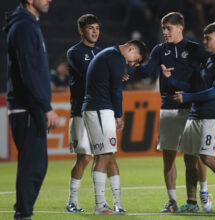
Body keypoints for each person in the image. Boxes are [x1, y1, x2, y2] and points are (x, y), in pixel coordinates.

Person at [131, 12, 215, 212]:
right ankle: (175, 201)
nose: (165, 32)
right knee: (172, 157)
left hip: (192, 107)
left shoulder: (197, 49)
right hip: (170, 107)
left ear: (180, 28)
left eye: (169, 28)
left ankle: (204, 193)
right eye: (163, 28)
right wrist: (131, 67)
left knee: (198, 156)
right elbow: (147, 71)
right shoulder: (159, 50)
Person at [172, 22, 215, 213]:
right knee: (189, 158)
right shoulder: (209, 59)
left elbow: (214, 91)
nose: (204, 41)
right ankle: (192, 202)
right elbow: (208, 85)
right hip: (195, 114)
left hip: (210, 115)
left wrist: (187, 97)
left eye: (208, 38)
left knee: (206, 156)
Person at [3, 0, 59, 219]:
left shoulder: (28, 23)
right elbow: (28, 71)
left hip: (29, 107)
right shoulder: (24, 26)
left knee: (37, 165)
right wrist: (46, 106)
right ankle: (23, 214)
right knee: (32, 166)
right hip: (26, 107)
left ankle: (23, 213)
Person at [82, 39, 147, 215]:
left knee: (109, 155)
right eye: (134, 60)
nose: (131, 64)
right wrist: (119, 114)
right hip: (99, 109)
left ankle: (117, 203)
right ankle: (100, 205)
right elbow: (116, 91)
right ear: (131, 48)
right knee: (103, 156)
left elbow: (108, 82)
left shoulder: (110, 55)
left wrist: (117, 78)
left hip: (98, 108)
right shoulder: (116, 57)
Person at [65, 14, 102, 213]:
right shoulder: (74, 52)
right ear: (81, 31)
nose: (95, 31)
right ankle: (71, 200)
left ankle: (102, 202)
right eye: (90, 28)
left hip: (99, 111)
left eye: (97, 27)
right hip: (80, 111)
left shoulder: (101, 52)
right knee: (84, 157)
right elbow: (87, 73)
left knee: (104, 156)